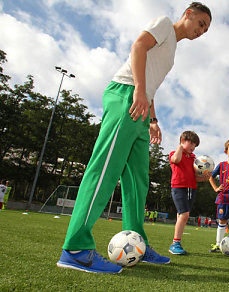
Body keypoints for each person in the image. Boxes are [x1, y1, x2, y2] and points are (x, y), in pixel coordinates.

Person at [57, 2, 212, 273]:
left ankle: (136, 242)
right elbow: (138, 46)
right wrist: (138, 90)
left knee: (138, 182)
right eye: (201, 23)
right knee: (104, 169)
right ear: (188, 14)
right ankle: (76, 248)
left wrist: (152, 119)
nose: (202, 31)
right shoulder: (164, 23)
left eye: (206, 30)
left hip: (141, 108)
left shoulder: (172, 50)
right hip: (126, 95)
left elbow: (151, 85)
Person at [168, 131, 210, 255]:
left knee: (181, 215)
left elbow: (195, 176)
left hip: (191, 189)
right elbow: (176, 160)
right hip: (178, 187)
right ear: (182, 140)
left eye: (195, 145)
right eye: (190, 143)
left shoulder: (193, 158)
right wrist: (180, 148)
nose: (192, 147)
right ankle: (175, 243)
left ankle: (175, 242)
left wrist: (205, 177)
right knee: (184, 215)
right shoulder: (174, 153)